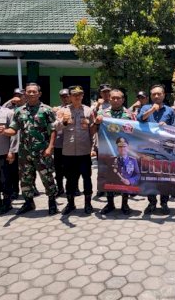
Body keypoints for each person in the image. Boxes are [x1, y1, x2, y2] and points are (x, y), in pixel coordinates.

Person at [2, 83, 58, 215]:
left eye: (34, 91)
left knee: (47, 177)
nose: (31, 94)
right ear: (25, 94)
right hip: (25, 152)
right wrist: (4, 131)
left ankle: (52, 202)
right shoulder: (19, 111)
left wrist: (50, 147)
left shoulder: (47, 110)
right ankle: (28, 202)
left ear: (39, 93)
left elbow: (54, 131)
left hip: (42, 151)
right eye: (29, 92)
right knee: (25, 178)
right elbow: (13, 129)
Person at [57, 85, 98, 214]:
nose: (77, 97)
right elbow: (55, 128)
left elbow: (93, 131)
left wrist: (93, 147)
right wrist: (63, 122)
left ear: (82, 96)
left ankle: (88, 203)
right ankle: (70, 204)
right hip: (68, 152)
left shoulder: (88, 111)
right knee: (70, 179)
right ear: (69, 96)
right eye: (74, 95)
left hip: (84, 151)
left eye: (79, 94)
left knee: (87, 178)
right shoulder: (62, 111)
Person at [138, 84, 175, 214]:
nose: (156, 96)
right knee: (150, 178)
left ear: (164, 95)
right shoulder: (145, 107)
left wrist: (167, 127)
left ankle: (164, 203)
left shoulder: (170, 111)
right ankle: (152, 203)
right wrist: (151, 110)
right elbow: (139, 119)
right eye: (153, 94)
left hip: (164, 150)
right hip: (148, 149)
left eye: (159, 94)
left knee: (164, 178)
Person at [95, 89, 135, 214]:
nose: (116, 100)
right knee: (109, 176)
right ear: (109, 99)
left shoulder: (129, 114)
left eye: (119, 98)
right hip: (107, 150)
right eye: (113, 98)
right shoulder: (102, 113)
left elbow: (135, 131)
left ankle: (125, 204)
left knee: (125, 176)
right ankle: (110, 203)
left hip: (124, 151)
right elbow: (94, 129)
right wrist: (97, 122)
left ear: (123, 99)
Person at [3, 88, 25, 197]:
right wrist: (10, 102)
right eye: (16, 95)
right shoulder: (9, 108)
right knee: (13, 169)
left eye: (20, 95)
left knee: (27, 168)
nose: (18, 97)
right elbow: (1, 110)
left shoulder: (26, 107)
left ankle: (32, 188)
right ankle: (15, 190)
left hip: (26, 142)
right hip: (14, 143)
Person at [53, 88, 71, 197]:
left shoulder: (75, 108)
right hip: (59, 143)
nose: (65, 98)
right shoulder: (56, 110)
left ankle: (74, 188)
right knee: (58, 169)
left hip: (71, 143)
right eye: (63, 96)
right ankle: (60, 188)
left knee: (71, 169)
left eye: (67, 96)